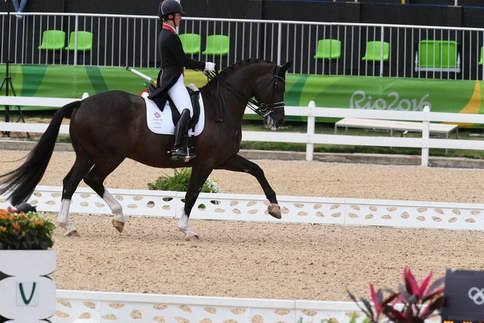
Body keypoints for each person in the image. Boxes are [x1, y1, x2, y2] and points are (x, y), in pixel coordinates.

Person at [149, 0, 216, 161]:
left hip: (175, 76)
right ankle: (177, 148)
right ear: (170, 16)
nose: (181, 18)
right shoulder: (170, 35)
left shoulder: (168, 33)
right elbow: (184, 60)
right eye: (179, 15)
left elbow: (179, 61)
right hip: (173, 80)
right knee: (187, 109)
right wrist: (204, 65)